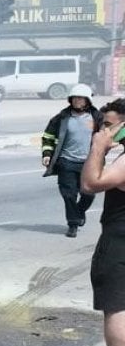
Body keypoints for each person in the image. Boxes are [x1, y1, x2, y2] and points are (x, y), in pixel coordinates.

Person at [77, 108, 125, 346]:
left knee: (116, 306)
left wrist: (97, 148)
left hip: (120, 240)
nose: (102, 131)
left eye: (108, 125)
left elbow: (90, 184)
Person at [42, 84, 103, 238]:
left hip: (89, 163)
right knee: (68, 194)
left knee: (89, 194)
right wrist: (47, 154)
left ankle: (79, 211)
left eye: (81, 98)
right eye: (75, 98)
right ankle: (73, 224)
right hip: (66, 161)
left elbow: (111, 132)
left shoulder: (97, 118)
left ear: (87, 100)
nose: (77, 101)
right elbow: (48, 136)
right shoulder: (61, 118)